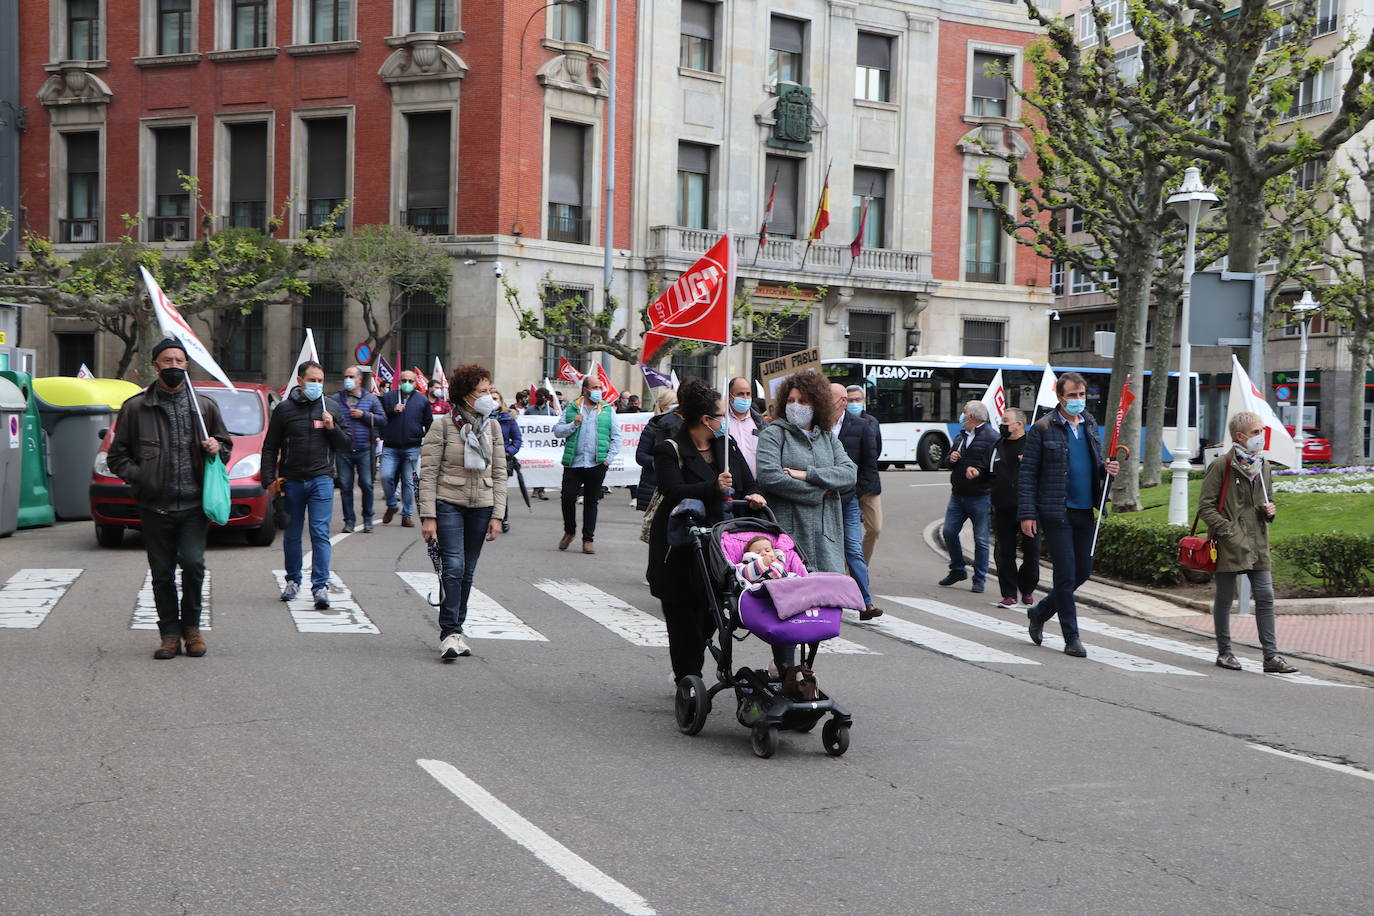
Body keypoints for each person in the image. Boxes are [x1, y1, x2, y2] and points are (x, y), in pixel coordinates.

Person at [108, 338, 232, 660]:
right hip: (154, 506)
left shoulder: (203, 406)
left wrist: (217, 447)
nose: (174, 366)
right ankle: (169, 635)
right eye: (167, 360)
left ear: (187, 365)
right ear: (156, 365)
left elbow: (225, 444)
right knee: (161, 573)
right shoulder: (136, 407)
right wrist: (143, 477)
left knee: (192, 564)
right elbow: (117, 457)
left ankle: (192, 629)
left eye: (179, 360)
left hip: (193, 506)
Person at [647, 378, 768, 683]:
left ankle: (693, 662)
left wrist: (753, 494)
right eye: (720, 414)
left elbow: (746, 479)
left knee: (712, 614)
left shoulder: (726, 445)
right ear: (705, 419)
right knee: (682, 618)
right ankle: (688, 679)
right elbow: (672, 490)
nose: (725, 419)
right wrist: (712, 486)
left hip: (719, 544)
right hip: (680, 544)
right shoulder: (669, 449)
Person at [1019, 372, 1120, 658]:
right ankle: (1071, 637)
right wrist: (1027, 513)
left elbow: (1095, 464)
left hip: (1085, 509)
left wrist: (1107, 470)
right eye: (1072, 395)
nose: (1078, 400)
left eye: (1081, 395)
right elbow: (1027, 475)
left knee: (1082, 572)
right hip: (1056, 510)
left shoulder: (1089, 424)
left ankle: (1040, 611)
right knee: (1065, 576)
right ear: (1060, 397)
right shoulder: (1042, 428)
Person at [418, 365, 507, 660]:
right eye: (482, 391)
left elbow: (500, 473)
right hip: (449, 503)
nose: (489, 396)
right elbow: (428, 474)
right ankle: (450, 632)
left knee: (467, 571)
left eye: (489, 390)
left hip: (481, 506)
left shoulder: (492, 427)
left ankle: (458, 627)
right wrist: (428, 515)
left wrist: (497, 514)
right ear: (466, 395)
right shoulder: (442, 426)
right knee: (453, 567)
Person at [1198, 411, 1298, 674]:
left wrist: (1270, 512)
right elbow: (1206, 508)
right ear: (1240, 436)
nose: (1261, 437)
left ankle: (1271, 657)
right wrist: (1228, 530)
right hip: (1229, 542)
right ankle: (1225, 652)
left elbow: (1266, 503)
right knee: (1224, 598)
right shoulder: (1221, 465)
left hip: (1258, 541)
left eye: (1262, 432)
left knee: (1265, 596)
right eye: (1256, 432)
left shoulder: (1263, 465)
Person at [262, 361, 350, 609]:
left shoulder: (331, 407)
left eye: (320, 381)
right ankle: (292, 580)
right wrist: (269, 480)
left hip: (321, 479)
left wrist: (332, 428)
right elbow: (270, 447)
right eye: (312, 380)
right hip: (292, 481)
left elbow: (345, 444)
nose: (317, 385)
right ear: (300, 381)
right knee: (292, 533)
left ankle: (320, 586)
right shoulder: (284, 410)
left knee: (320, 533)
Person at [755, 370, 856, 577]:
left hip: (825, 535)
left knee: (828, 597)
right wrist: (818, 492)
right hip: (788, 532)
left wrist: (807, 474)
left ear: (817, 404)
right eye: (791, 400)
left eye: (803, 401)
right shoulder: (773, 434)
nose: (795, 405)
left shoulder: (827, 437)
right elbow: (770, 476)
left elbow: (849, 473)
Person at [830, 383, 883, 620]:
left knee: (853, 549)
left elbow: (870, 465)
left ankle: (865, 602)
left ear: (841, 401)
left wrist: (855, 492)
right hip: (819, 500)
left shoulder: (862, 426)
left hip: (848, 499)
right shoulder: (816, 426)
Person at [553, 373, 621, 554]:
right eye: (595, 387)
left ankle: (588, 539)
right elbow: (557, 431)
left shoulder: (607, 409)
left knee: (591, 502)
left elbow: (616, 437)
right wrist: (573, 425)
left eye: (600, 387)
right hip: (573, 463)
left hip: (596, 464)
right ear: (585, 390)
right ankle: (570, 531)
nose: (599, 390)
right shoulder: (572, 408)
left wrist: (608, 459)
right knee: (567, 498)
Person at [938, 400, 998, 594]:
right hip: (958, 495)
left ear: (972, 416)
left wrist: (979, 472)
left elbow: (995, 467)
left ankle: (979, 578)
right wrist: (951, 459)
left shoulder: (991, 437)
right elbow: (947, 460)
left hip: (980, 496)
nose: (961, 416)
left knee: (980, 539)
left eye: (964, 413)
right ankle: (957, 569)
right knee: (948, 532)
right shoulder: (962, 435)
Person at [989, 408, 1039, 608]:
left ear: (1019, 424)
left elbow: (1046, 472)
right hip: (1002, 507)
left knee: (1031, 551)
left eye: (1006, 420)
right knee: (1004, 552)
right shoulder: (997, 445)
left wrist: (1031, 462)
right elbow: (988, 469)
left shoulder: (1033, 445)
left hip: (1028, 508)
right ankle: (1009, 593)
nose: (1002, 424)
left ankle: (1027, 588)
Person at [335, 365, 386, 534]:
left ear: (359, 379)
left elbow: (382, 419)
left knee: (366, 484)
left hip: (365, 449)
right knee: (345, 486)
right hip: (343, 450)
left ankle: (368, 519)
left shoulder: (370, 399)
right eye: (346, 376)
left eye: (351, 376)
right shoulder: (336, 399)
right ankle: (349, 521)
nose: (347, 380)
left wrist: (364, 416)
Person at [379, 368, 432, 528]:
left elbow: (428, 423)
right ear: (399, 382)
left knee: (409, 482)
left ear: (415, 383)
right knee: (386, 476)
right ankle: (392, 504)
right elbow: (381, 417)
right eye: (404, 381)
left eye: (410, 381)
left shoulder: (422, 400)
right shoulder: (389, 397)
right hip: (391, 446)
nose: (407, 384)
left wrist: (426, 443)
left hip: (412, 447)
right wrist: (392, 411)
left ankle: (407, 515)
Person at [845, 385, 884, 564]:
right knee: (847, 533)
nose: (854, 403)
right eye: (850, 400)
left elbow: (875, 453)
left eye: (857, 400)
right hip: (845, 485)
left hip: (868, 485)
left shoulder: (871, 422)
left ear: (864, 401)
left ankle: (862, 565)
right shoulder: (837, 422)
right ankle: (849, 570)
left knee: (875, 528)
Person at [634, 388, 681, 511]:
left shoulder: (682, 428)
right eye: (673, 405)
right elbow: (640, 456)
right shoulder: (652, 428)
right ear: (663, 407)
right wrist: (661, 462)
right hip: (652, 486)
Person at [492, 388, 523, 533]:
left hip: (502, 460)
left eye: (495, 398)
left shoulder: (508, 419)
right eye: (489, 398)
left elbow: (517, 440)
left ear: (501, 401)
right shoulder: (479, 416)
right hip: (483, 460)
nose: (493, 401)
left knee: (500, 490)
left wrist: (508, 452)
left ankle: (502, 518)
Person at [726, 376, 770, 476]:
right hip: (731, 484)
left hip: (757, 486)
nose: (745, 398)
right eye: (740, 394)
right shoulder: (722, 421)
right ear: (730, 396)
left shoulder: (761, 423)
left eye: (748, 394)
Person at [524, 388, 556, 500]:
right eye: (537, 396)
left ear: (546, 398)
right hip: (533, 444)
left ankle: (541, 489)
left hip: (545, 445)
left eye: (541, 396)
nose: (539, 398)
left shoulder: (551, 412)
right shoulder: (529, 410)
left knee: (544, 466)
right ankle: (535, 488)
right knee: (535, 466)